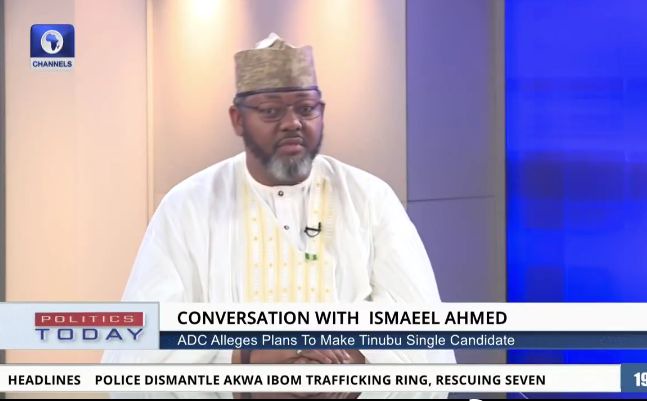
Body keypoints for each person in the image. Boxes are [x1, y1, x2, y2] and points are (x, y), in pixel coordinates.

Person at [103, 32, 455, 391]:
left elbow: (428, 344)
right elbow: (132, 354)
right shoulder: (187, 207)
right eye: (271, 111)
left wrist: (351, 366)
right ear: (237, 119)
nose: (292, 123)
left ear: (322, 113)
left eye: (306, 109)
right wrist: (249, 361)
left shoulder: (370, 199)